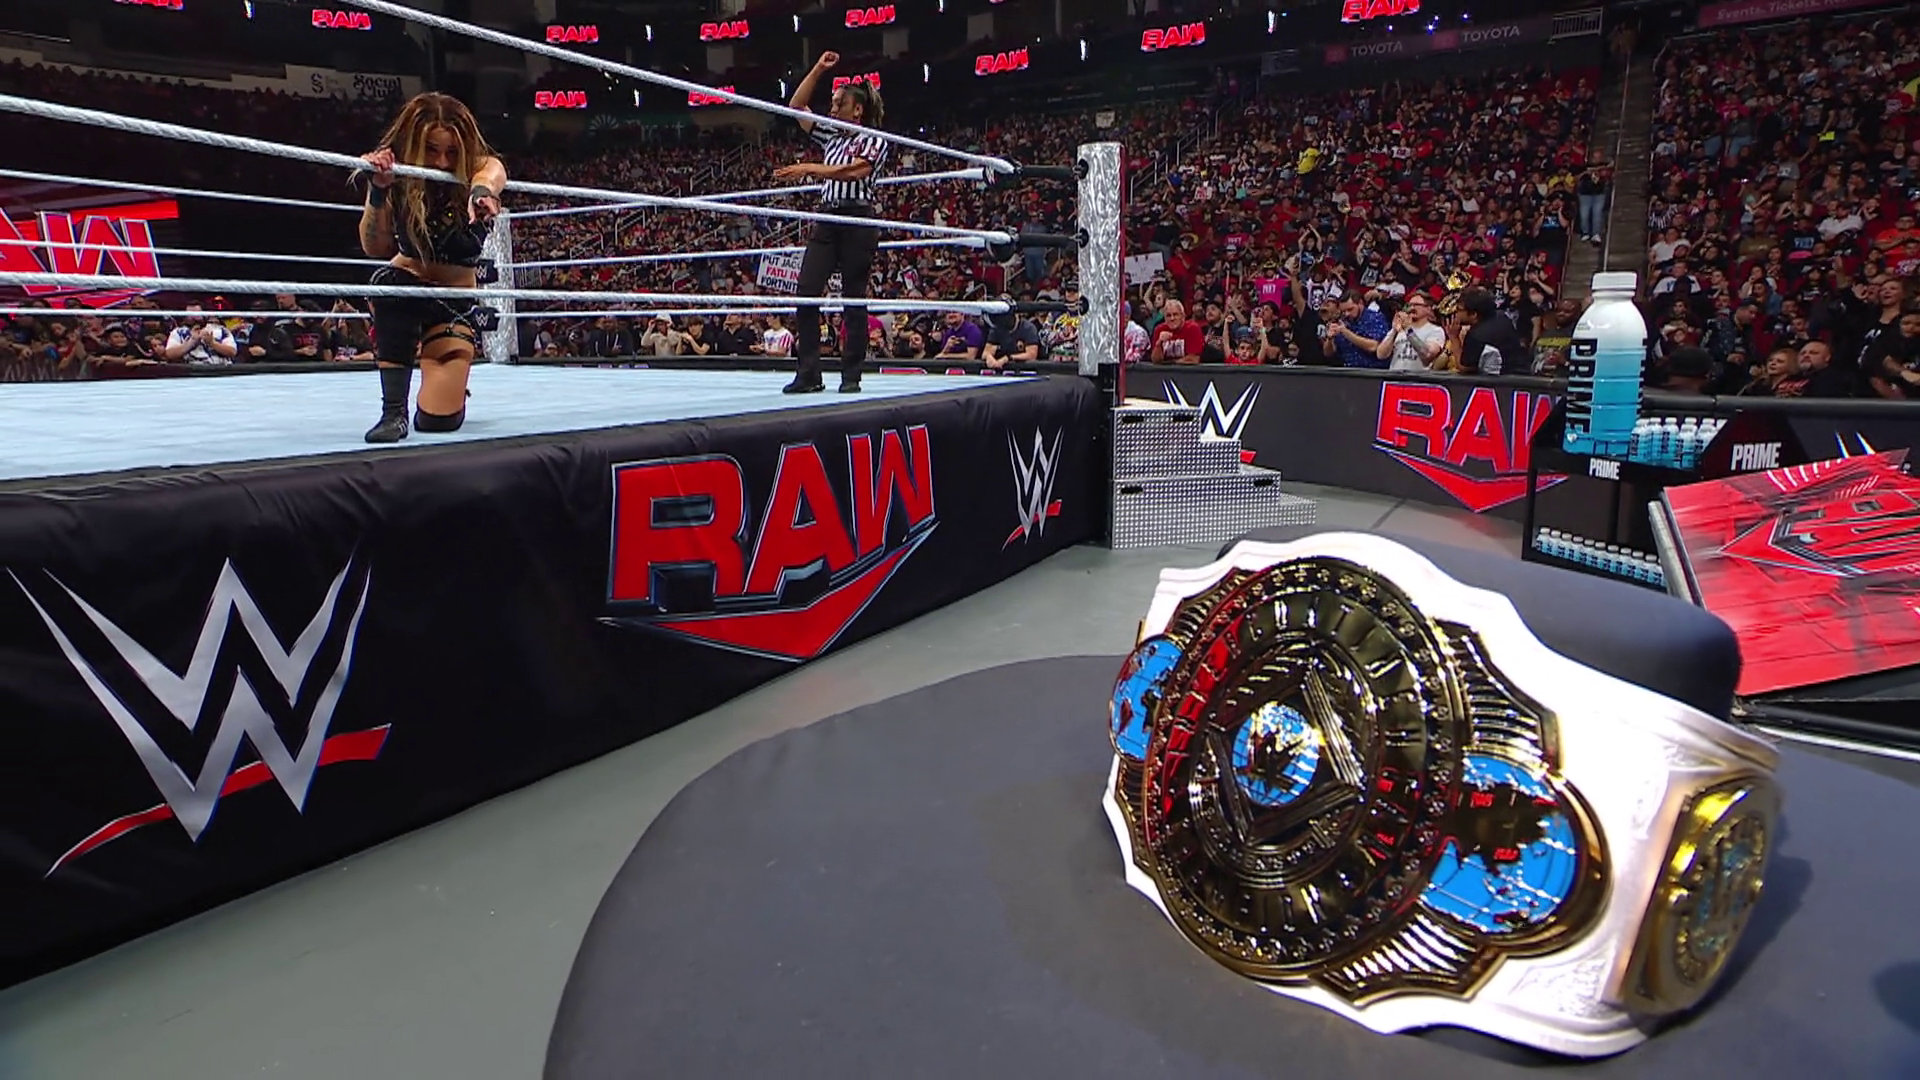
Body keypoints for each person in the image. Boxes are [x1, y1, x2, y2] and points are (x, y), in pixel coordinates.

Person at [356, 92, 507, 443]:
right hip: (407, 287)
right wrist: (377, 191)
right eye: (431, 150)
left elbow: (493, 173)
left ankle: (443, 372)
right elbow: (375, 248)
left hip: (452, 303)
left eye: (451, 152)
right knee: (390, 286)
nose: (441, 162)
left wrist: (480, 193)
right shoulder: (396, 174)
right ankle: (393, 412)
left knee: (438, 421)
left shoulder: (481, 169)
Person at [774, 52, 889, 394]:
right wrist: (818, 69)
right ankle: (809, 373)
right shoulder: (831, 136)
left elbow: (854, 171)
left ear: (858, 110)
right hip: (827, 218)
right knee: (806, 293)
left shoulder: (874, 139)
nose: (833, 108)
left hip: (857, 219)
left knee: (853, 297)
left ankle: (851, 375)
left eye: (840, 104)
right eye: (833, 102)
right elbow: (797, 106)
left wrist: (809, 168)